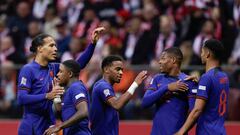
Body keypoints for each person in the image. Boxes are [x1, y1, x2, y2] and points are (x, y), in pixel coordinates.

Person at [17, 27, 105, 135]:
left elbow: (77, 65)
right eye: (51, 45)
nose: (55, 49)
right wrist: (47, 96)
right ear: (40, 48)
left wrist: (92, 44)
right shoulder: (28, 69)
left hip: (49, 124)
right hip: (31, 125)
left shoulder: (54, 68)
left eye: (55, 45)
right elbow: (21, 98)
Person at [175, 39, 229, 135]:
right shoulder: (224, 76)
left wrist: (180, 132)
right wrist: (200, 83)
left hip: (207, 131)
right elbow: (215, 94)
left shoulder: (207, 77)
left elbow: (197, 110)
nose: (201, 55)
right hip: (221, 131)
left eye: (202, 52)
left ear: (207, 53)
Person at [141, 47, 198, 135]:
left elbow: (193, 113)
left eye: (163, 58)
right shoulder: (157, 78)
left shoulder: (188, 81)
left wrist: (181, 132)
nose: (159, 62)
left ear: (173, 60)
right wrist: (167, 88)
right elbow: (145, 103)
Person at [90, 55, 147, 135]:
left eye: (122, 70)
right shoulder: (102, 86)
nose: (121, 73)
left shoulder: (106, 87)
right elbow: (117, 105)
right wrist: (135, 83)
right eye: (117, 69)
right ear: (106, 69)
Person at [44, 60, 91, 135]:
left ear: (70, 74)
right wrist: (57, 96)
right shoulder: (69, 90)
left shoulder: (76, 87)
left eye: (60, 71)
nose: (57, 74)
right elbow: (64, 117)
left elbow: (83, 112)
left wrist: (59, 127)